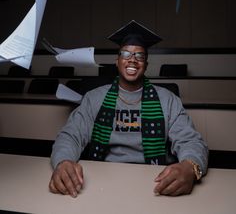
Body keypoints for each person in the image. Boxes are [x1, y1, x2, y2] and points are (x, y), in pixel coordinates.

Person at [49, 20, 208, 197]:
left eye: (139, 56)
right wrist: (63, 162)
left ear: (146, 64)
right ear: (117, 61)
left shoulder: (168, 100)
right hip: (103, 181)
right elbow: (70, 136)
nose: (132, 59)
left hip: (156, 182)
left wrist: (190, 167)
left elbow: (191, 142)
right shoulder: (94, 98)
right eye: (126, 54)